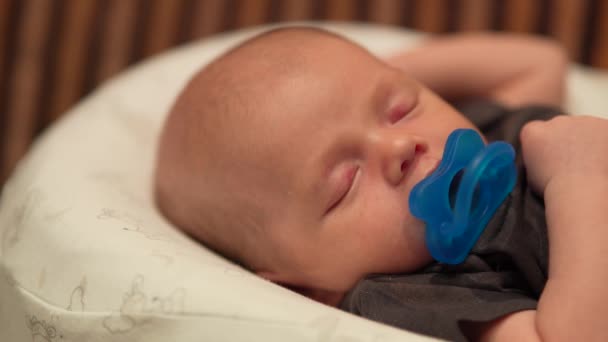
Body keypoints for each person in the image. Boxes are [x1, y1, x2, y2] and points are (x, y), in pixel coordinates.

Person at [154, 27, 608, 341]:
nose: (398, 146)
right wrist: (581, 179)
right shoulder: (407, 297)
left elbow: (539, 61)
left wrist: (359, 79)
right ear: (305, 288)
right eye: (346, 183)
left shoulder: (485, 128)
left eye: (399, 109)